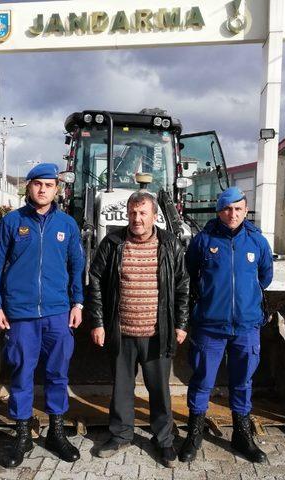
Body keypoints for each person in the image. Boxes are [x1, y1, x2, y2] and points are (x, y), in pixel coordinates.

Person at [0, 163, 85, 468]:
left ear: (58, 189)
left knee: (57, 374)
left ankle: (56, 432)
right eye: (37, 184)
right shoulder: (12, 223)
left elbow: (76, 267)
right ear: (28, 187)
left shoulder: (67, 225)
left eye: (49, 185)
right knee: (22, 373)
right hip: (22, 314)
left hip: (57, 312)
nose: (43, 189)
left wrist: (78, 304)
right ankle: (22, 436)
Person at [86, 191, 190, 468]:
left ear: (155, 216)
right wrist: (97, 322)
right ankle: (120, 435)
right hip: (122, 331)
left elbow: (182, 285)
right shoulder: (112, 243)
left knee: (159, 390)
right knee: (121, 387)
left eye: (143, 213)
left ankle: (164, 439)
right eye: (132, 212)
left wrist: (180, 323)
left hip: (158, 333)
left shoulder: (170, 245)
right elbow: (95, 280)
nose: (137, 218)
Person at [180, 186, 273, 464]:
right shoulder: (204, 239)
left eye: (238, 209)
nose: (232, 214)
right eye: (227, 209)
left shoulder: (257, 242)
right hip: (210, 325)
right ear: (219, 211)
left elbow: (265, 277)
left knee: (243, 381)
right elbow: (189, 274)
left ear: (245, 210)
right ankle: (194, 432)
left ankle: (242, 434)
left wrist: (244, 300)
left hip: (246, 325)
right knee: (201, 380)